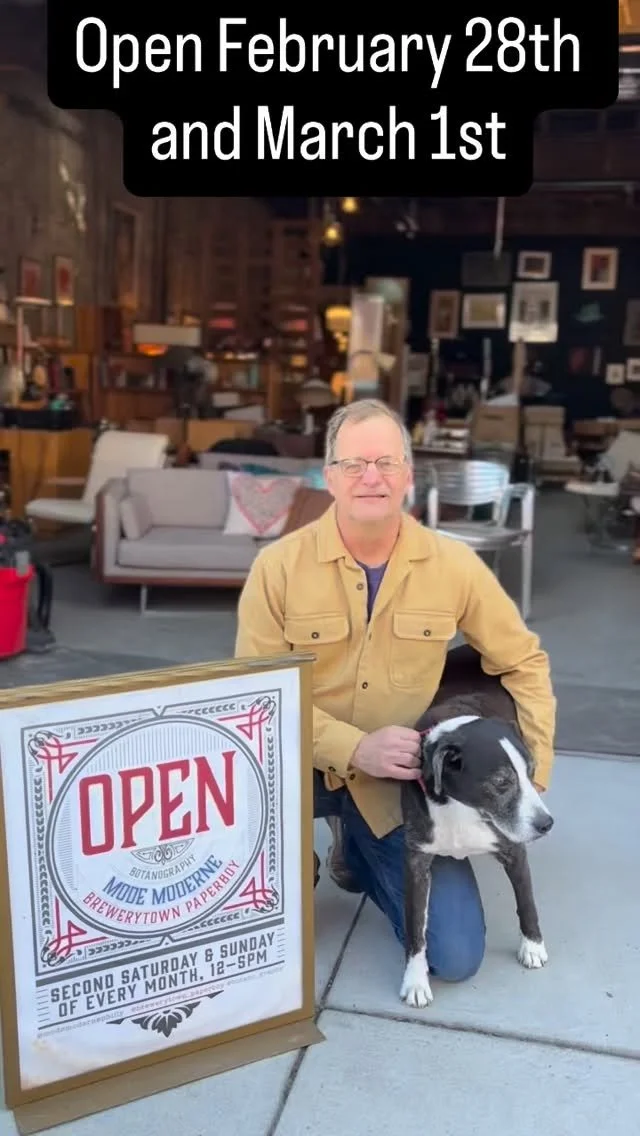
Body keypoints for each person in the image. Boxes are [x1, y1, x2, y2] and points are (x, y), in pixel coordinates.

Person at [235, 399, 556, 983]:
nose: (372, 477)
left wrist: (531, 774)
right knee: (257, 920)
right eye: (354, 464)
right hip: (294, 768)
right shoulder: (277, 568)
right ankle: (307, 850)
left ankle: (357, 847)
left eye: (386, 462)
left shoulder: (454, 565)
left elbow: (524, 664)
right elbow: (255, 695)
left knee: (454, 957)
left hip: (396, 783)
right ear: (329, 476)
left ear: (409, 475)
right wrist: (354, 747)